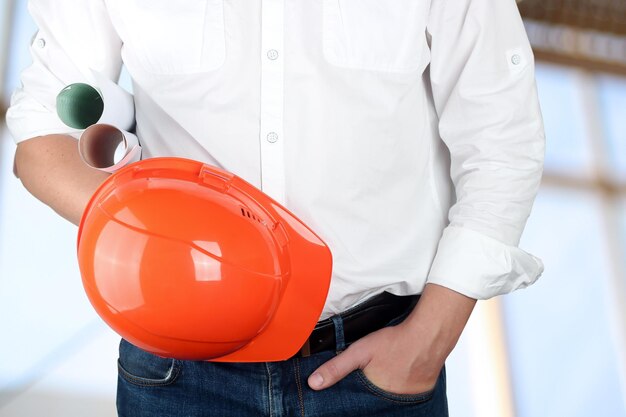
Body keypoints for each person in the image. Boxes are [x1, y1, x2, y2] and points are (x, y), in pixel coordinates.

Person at [6, 0, 545, 416]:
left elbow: (501, 136)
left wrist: (427, 341)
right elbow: (43, 136)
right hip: (179, 373)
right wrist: (155, 237)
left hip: (379, 368)